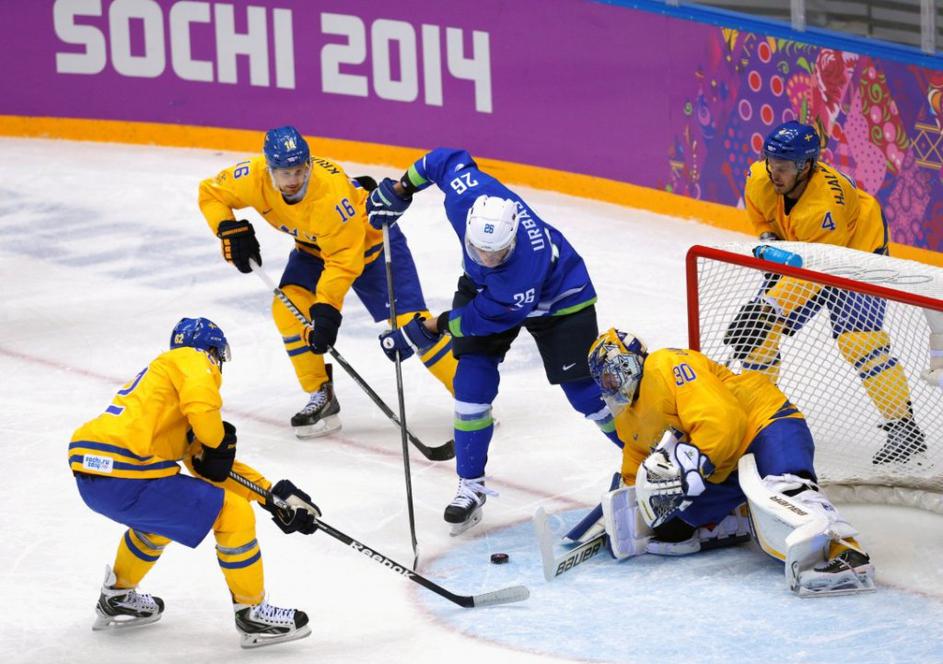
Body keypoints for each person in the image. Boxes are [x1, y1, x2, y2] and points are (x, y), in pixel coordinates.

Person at [366, 148, 623, 535]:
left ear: (513, 239)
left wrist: (425, 329)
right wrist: (402, 188)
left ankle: (645, 457)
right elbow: (442, 161)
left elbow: (479, 319)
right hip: (490, 295)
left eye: (497, 252)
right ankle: (470, 486)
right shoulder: (466, 197)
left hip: (560, 298)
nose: (486, 258)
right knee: (471, 385)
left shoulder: (521, 270)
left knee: (585, 393)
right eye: (479, 250)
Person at [69, 317, 320, 648]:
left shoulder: (162, 400)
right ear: (212, 351)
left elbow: (211, 470)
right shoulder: (189, 358)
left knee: (160, 523)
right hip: (125, 468)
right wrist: (216, 439)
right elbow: (206, 419)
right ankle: (253, 614)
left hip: (94, 472)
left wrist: (271, 495)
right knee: (233, 513)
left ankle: (117, 596)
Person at [198, 126, 456, 439]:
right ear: (269, 169)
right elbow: (211, 193)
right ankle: (321, 393)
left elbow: (344, 262)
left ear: (308, 164)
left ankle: (470, 398)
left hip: (371, 247)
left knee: (412, 326)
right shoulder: (252, 177)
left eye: (299, 170)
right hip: (314, 250)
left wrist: (326, 311)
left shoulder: (329, 196)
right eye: (285, 173)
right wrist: (227, 228)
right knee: (287, 309)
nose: (293, 179)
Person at [588, 328, 875, 596]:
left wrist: (695, 465)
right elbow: (637, 459)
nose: (609, 386)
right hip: (721, 459)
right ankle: (740, 514)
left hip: (761, 423)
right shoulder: (626, 417)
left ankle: (847, 554)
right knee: (674, 526)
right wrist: (624, 507)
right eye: (603, 382)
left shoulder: (664, 365)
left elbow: (723, 421)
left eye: (611, 377)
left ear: (627, 365)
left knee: (787, 492)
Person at [729, 120, 925, 464]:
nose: (774, 173)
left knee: (860, 342)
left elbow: (817, 274)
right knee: (759, 335)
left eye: (784, 167)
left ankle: (904, 428)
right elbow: (758, 211)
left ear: (806, 166)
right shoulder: (760, 176)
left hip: (857, 255)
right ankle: (758, 418)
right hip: (810, 251)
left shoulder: (822, 208)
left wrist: (769, 305)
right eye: (771, 162)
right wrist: (768, 236)